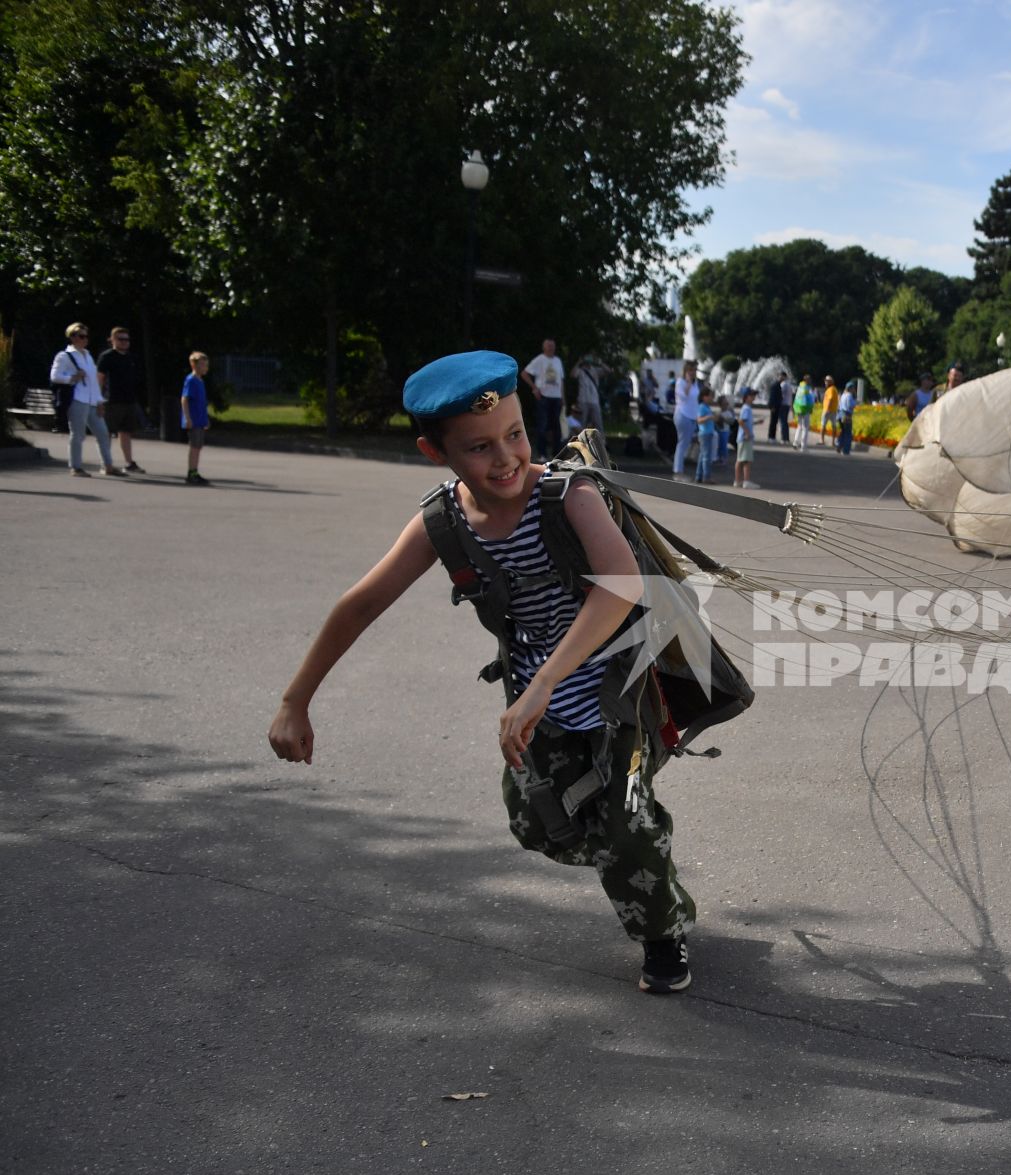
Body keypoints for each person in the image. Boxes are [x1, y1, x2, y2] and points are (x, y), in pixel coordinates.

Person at [266, 351, 696, 993]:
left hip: (620, 696)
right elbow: (360, 604)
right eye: (479, 447)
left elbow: (622, 586)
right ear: (433, 451)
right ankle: (640, 865)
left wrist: (548, 679)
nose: (506, 459)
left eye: (516, 435)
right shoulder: (443, 523)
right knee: (535, 824)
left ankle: (663, 935)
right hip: (535, 708)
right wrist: (295, 700)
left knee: (624, 827)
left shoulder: (569, 494)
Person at [52, 323, 121, 478]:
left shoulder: (88, 355)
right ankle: (75, 467)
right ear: (72, 337)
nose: (85, 339)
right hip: (77, 399)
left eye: (86, 336)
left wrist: (99, 401)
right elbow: (54, 376)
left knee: (103, 433)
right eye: (81, 336)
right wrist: (73, 378)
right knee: (78, 434)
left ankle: (107, 465)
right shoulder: (64, 356)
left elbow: (93, 381)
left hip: (91, 401)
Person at [97, 327, 147, 474]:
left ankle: (129, 463)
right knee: (106, 432)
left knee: (126, 432)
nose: (124, 342)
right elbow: (99, 378)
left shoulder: (131, 357)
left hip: (129, 401)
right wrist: (98, 399)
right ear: (112, 340)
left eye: (127, 339)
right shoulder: (107, 357)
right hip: (111, 400)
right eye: (121, 339)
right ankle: (105, 463)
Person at [520, 339, 566, 460]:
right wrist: (534, 388)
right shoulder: (539, 359)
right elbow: (524, 373)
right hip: (544, 396)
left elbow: (561, 380)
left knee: (557, 427)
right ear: (544, 347)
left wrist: (563, 397)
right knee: (543, 425)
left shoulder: (558, 361)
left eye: (552, 346)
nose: (551, 348)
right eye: (548, 346)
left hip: (556, 397)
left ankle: (557, 454)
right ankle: (542, 453)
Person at [180, 351, 213, 486]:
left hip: (200, 419)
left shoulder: (200, 381)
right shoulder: (191, 380)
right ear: (193, 365)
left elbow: (202, 402)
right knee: (194, 447)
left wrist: (206, 418)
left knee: (198, 447)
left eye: (206, 365)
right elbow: (184, 399)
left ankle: (195, 471)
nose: (205, 368)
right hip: (193, 420)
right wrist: (187, 418)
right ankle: (191, 473)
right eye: (202, 365)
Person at [671, 360, 701, 476]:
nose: (693, 372)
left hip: (692, 416)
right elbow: (684, 396)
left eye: (694, 370)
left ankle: (679, 469)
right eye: (690, 370)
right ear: (685, 371)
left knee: (686, 443)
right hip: (683, 415)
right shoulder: (681, 382)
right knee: (682, 443)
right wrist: (688, 382)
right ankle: (678, 471)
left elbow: (695, 399)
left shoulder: (695, 383)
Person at [734, 387, 760, 489]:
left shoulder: (746, 408)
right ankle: (746, 480)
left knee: (740, 459)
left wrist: (756, 422)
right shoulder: (746, 408)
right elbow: (741, 421)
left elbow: (745, 422)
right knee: (746, 460)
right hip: (745, 438)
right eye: (752, 395)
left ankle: (738, 481)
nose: (754, 397)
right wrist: (748, 433)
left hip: (742, 437)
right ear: (746, 397)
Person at [693, 387, 719, 484]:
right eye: (710, 396)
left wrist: (714, 417)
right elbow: (699, 420)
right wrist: (709, 417)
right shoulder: (702, 407)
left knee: (702, 455)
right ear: (704, 397)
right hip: (704, 434)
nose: (712, 398)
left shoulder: (706, 407)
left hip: (708, 433)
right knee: (706, 456)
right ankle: (706, 477)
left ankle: (698, 476)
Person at [571, 355, 603, 434]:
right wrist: (579, 362)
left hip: (594, 400)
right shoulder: (580, 371)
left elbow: (608, 371)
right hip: (583, 400)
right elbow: (572, 374)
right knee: (582, 422)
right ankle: (580, 441)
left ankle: (601, 442)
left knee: (598, 423)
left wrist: (600, 362)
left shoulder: (595, 370)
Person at [818, 377, 840, 453]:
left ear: (831, 382)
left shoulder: (831, 389)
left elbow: (830, 399)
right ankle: (833, 442)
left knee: (823, 425)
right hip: (833, 410)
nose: (825, 382)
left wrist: (827, 408)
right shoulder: (833, 389)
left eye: (827, 381)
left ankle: (822, 440)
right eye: (825, 381)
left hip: (828, 410)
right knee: (833, 426)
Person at [792, 375, 814, 450]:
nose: (810, 381)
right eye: (809, 380)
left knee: (799, 426)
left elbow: (796, 398)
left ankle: (795, 442)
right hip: (805, 409)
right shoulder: (807, 389)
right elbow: (810, 400)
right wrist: (811, 408)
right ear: (807, 380)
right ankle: (803, 446)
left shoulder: (800, 387)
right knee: (805, 428)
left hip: (798, 408)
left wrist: (795, 408)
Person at [836, 378, 857, 455]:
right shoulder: (849, 396)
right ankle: (846, 450)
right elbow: (850, 405)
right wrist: (855, 402)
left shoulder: (843, 395)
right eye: (853, 388)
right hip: (847, 414)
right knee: (848, 433)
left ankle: (839, 445)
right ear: (850, 388)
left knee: (842, 431)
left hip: (840, 414)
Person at [767, 372, 789, 443]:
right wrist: (772, 406)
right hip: (774, 406)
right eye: (782, 377)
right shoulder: (775, 385)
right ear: (779, 376)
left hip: (777, 406)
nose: (783, 378)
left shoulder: (778, 385)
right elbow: (772, 397)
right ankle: (771, 437)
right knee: (773, 422)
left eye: (784, 377)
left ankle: (772, 437)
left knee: (775, 422)